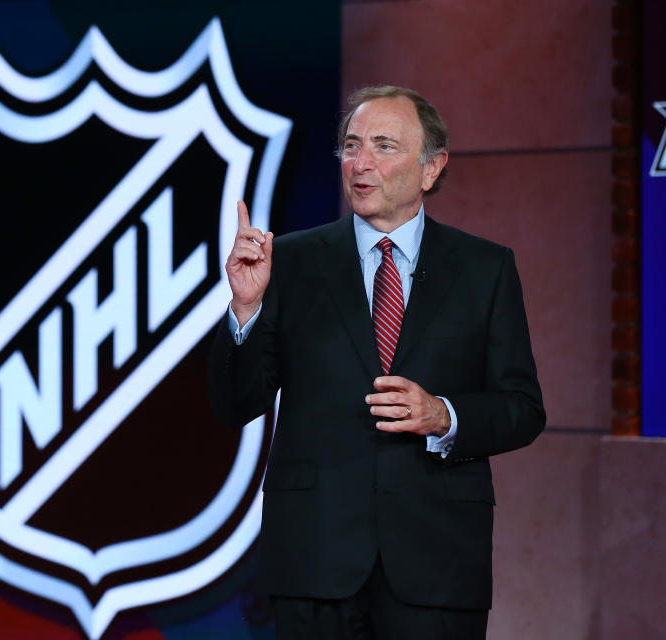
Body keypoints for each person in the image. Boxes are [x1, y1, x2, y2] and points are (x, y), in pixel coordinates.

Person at [208, 86, 545, 639]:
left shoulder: (485, 268)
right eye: (351, 145)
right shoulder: (286, 261)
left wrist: (444, 415)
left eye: (383, 146)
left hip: (437, 562)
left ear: (431, 168)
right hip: (315, 561)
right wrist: (244, 310)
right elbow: (233, 405)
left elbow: (523, 408)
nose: (361, 164)